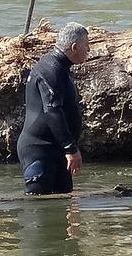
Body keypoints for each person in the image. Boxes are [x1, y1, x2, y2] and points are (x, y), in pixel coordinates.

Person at [17, 22, 89, 195]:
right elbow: (53, 111)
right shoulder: (50, 69)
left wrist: (68, 148)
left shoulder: (61, 69)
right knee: (40, 208)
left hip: (57, 150)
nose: (89, 50)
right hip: (39, 150)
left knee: (63, 204)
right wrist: (70, 149)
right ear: (74, 47)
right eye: (86, 46)